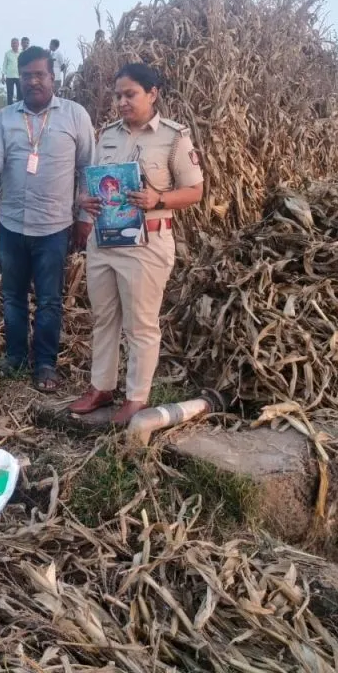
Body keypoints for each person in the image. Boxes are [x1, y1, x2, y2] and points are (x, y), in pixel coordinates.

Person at [70, 63, 204, 426]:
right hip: (105, 240)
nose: (122, 102)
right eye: (118, 96)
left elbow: (195, 191)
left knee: (141, 324)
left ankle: (136, 398)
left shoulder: (173, 137)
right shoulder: (107, 135)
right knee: (104, 318)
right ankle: (101, 387)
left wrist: (158, 199)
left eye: (130, 94)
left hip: (147, 243)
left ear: (152, 94)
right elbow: (93, 181)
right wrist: (86, 199)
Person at [0, 46, 95, 392]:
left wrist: (84, 217)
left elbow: (88, 168)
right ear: (19, 79)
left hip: (54, 226)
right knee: (12, 296)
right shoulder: (5, 117)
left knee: (50, 299)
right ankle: (16, 357)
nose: (33, 81)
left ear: (53, 77)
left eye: (40, 74)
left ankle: (45, 364)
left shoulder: (74, 115)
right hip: (11, 225)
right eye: (26, 76)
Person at [2, 37, 21, 104]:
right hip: (9, 76)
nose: (14, 44)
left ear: (18, 44)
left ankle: (20, 107)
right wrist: (3, 76)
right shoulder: (7, 53)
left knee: (20, 94)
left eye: (15, 43)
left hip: (19, 76)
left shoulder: (21, 53)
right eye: (12, 43)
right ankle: (9, 108)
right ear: (11, 45)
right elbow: (4, 65)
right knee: (10, 94)